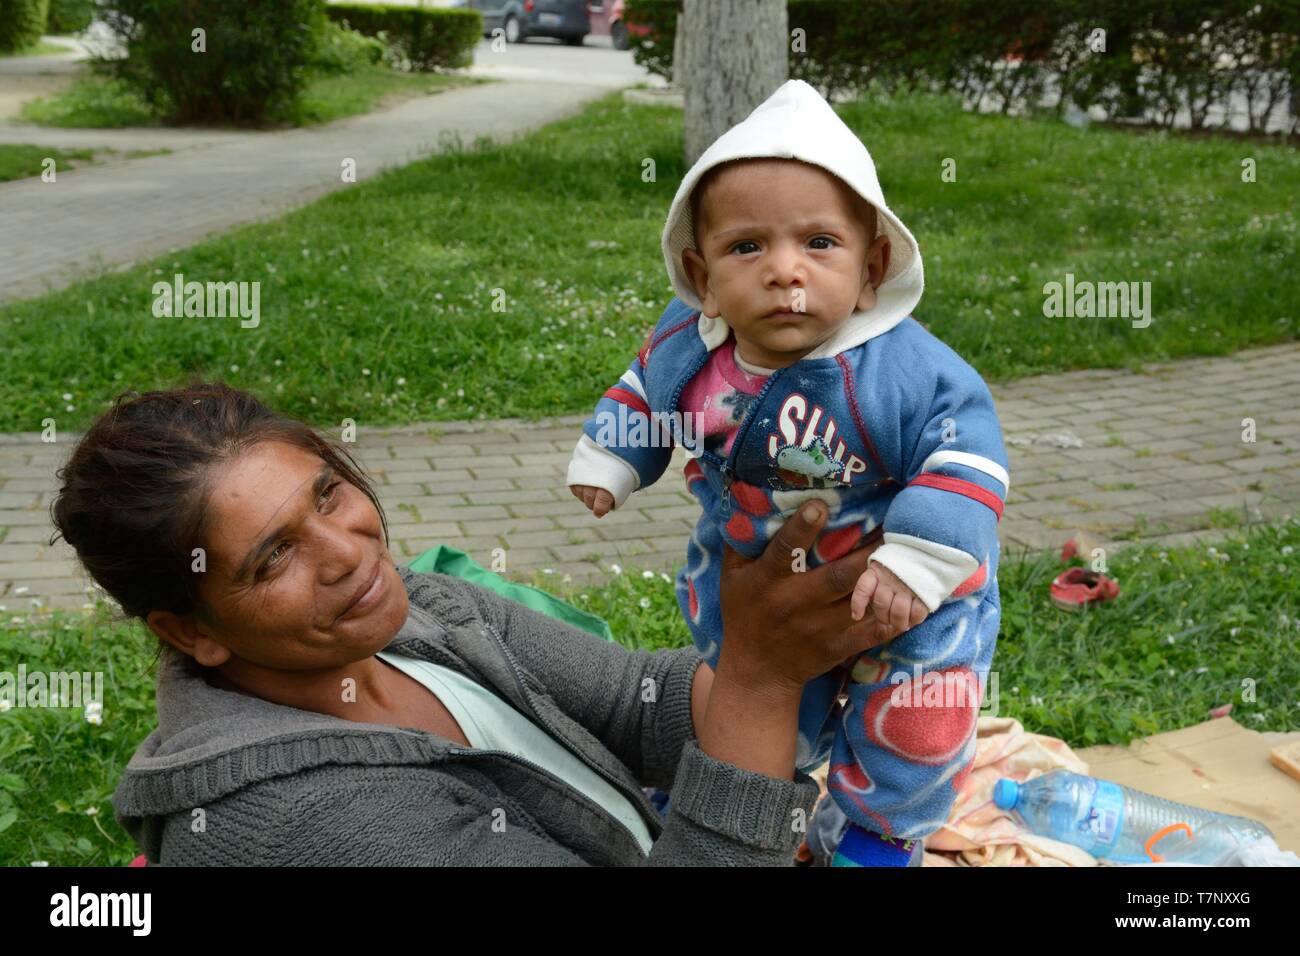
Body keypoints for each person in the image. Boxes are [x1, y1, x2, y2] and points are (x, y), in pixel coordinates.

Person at [49, 382, 902, 865]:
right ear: (192, 630)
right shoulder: (294, 822)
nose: (348, 552)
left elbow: (639, 703)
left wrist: (829, 627)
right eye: (272, 559)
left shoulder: (422, 613)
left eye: (328, 495)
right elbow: (738, 696)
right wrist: (758, 679)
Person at [567, 79, 1011, 866]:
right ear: (701, 275)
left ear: (873, 267)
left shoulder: (903, 372)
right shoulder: (690, 344)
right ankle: (724, 788)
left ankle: (876, 838)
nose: (784, 271)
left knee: (911, 723)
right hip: (754, 566)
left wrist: (922, 556)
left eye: (819, 244)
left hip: (903, 589)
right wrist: (615, 456)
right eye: (747, 247)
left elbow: (965, 451)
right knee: (743, 687)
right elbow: (644, 393)